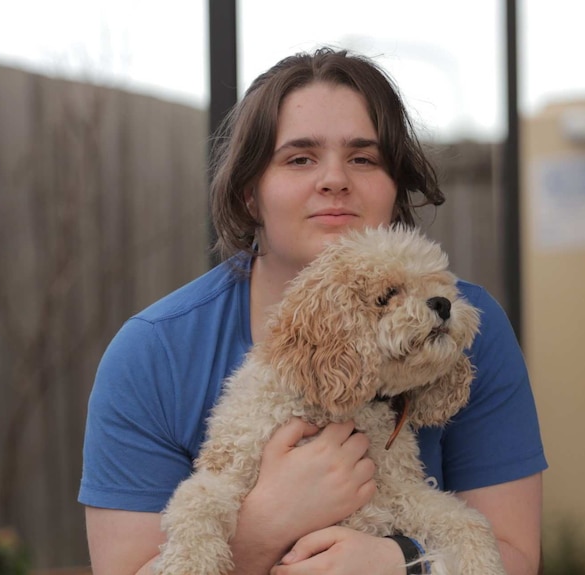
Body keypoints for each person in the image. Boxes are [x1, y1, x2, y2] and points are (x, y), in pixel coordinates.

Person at [79, 46, 547, 575]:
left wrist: (399, 564)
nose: (334, 180)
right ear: (250, 194)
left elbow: (513, 557)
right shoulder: (152, 355)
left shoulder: (461, 322)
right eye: (300, 158)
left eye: (363, 158)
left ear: (395, 192)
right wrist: (258, 533)